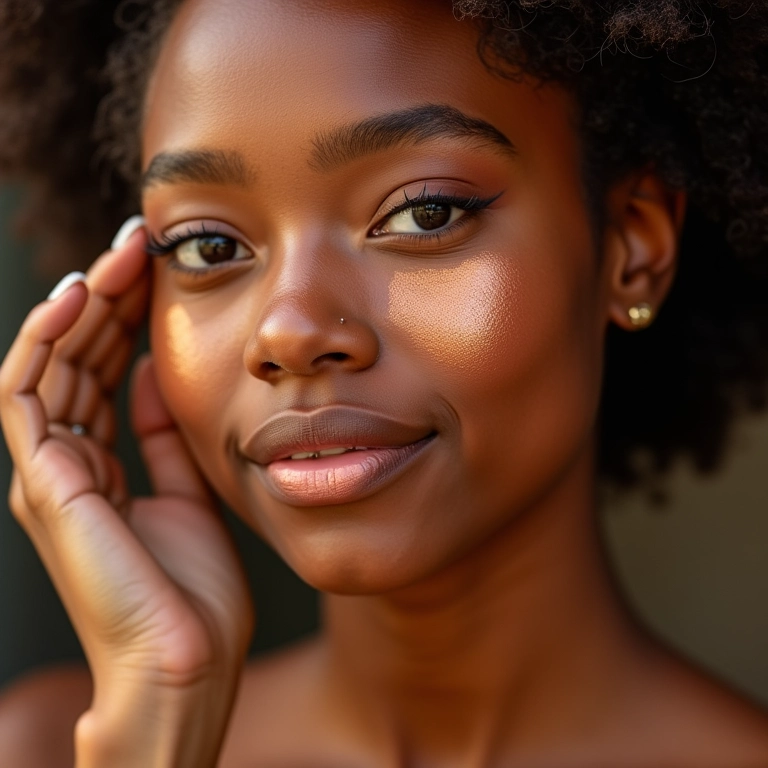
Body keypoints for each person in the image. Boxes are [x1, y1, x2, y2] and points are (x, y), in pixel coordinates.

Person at [1, 0, 767, 764]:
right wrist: (159, 723)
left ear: (634, 244)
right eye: (207, 246)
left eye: (425, 214)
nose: (289, 332)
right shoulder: (49, 750)